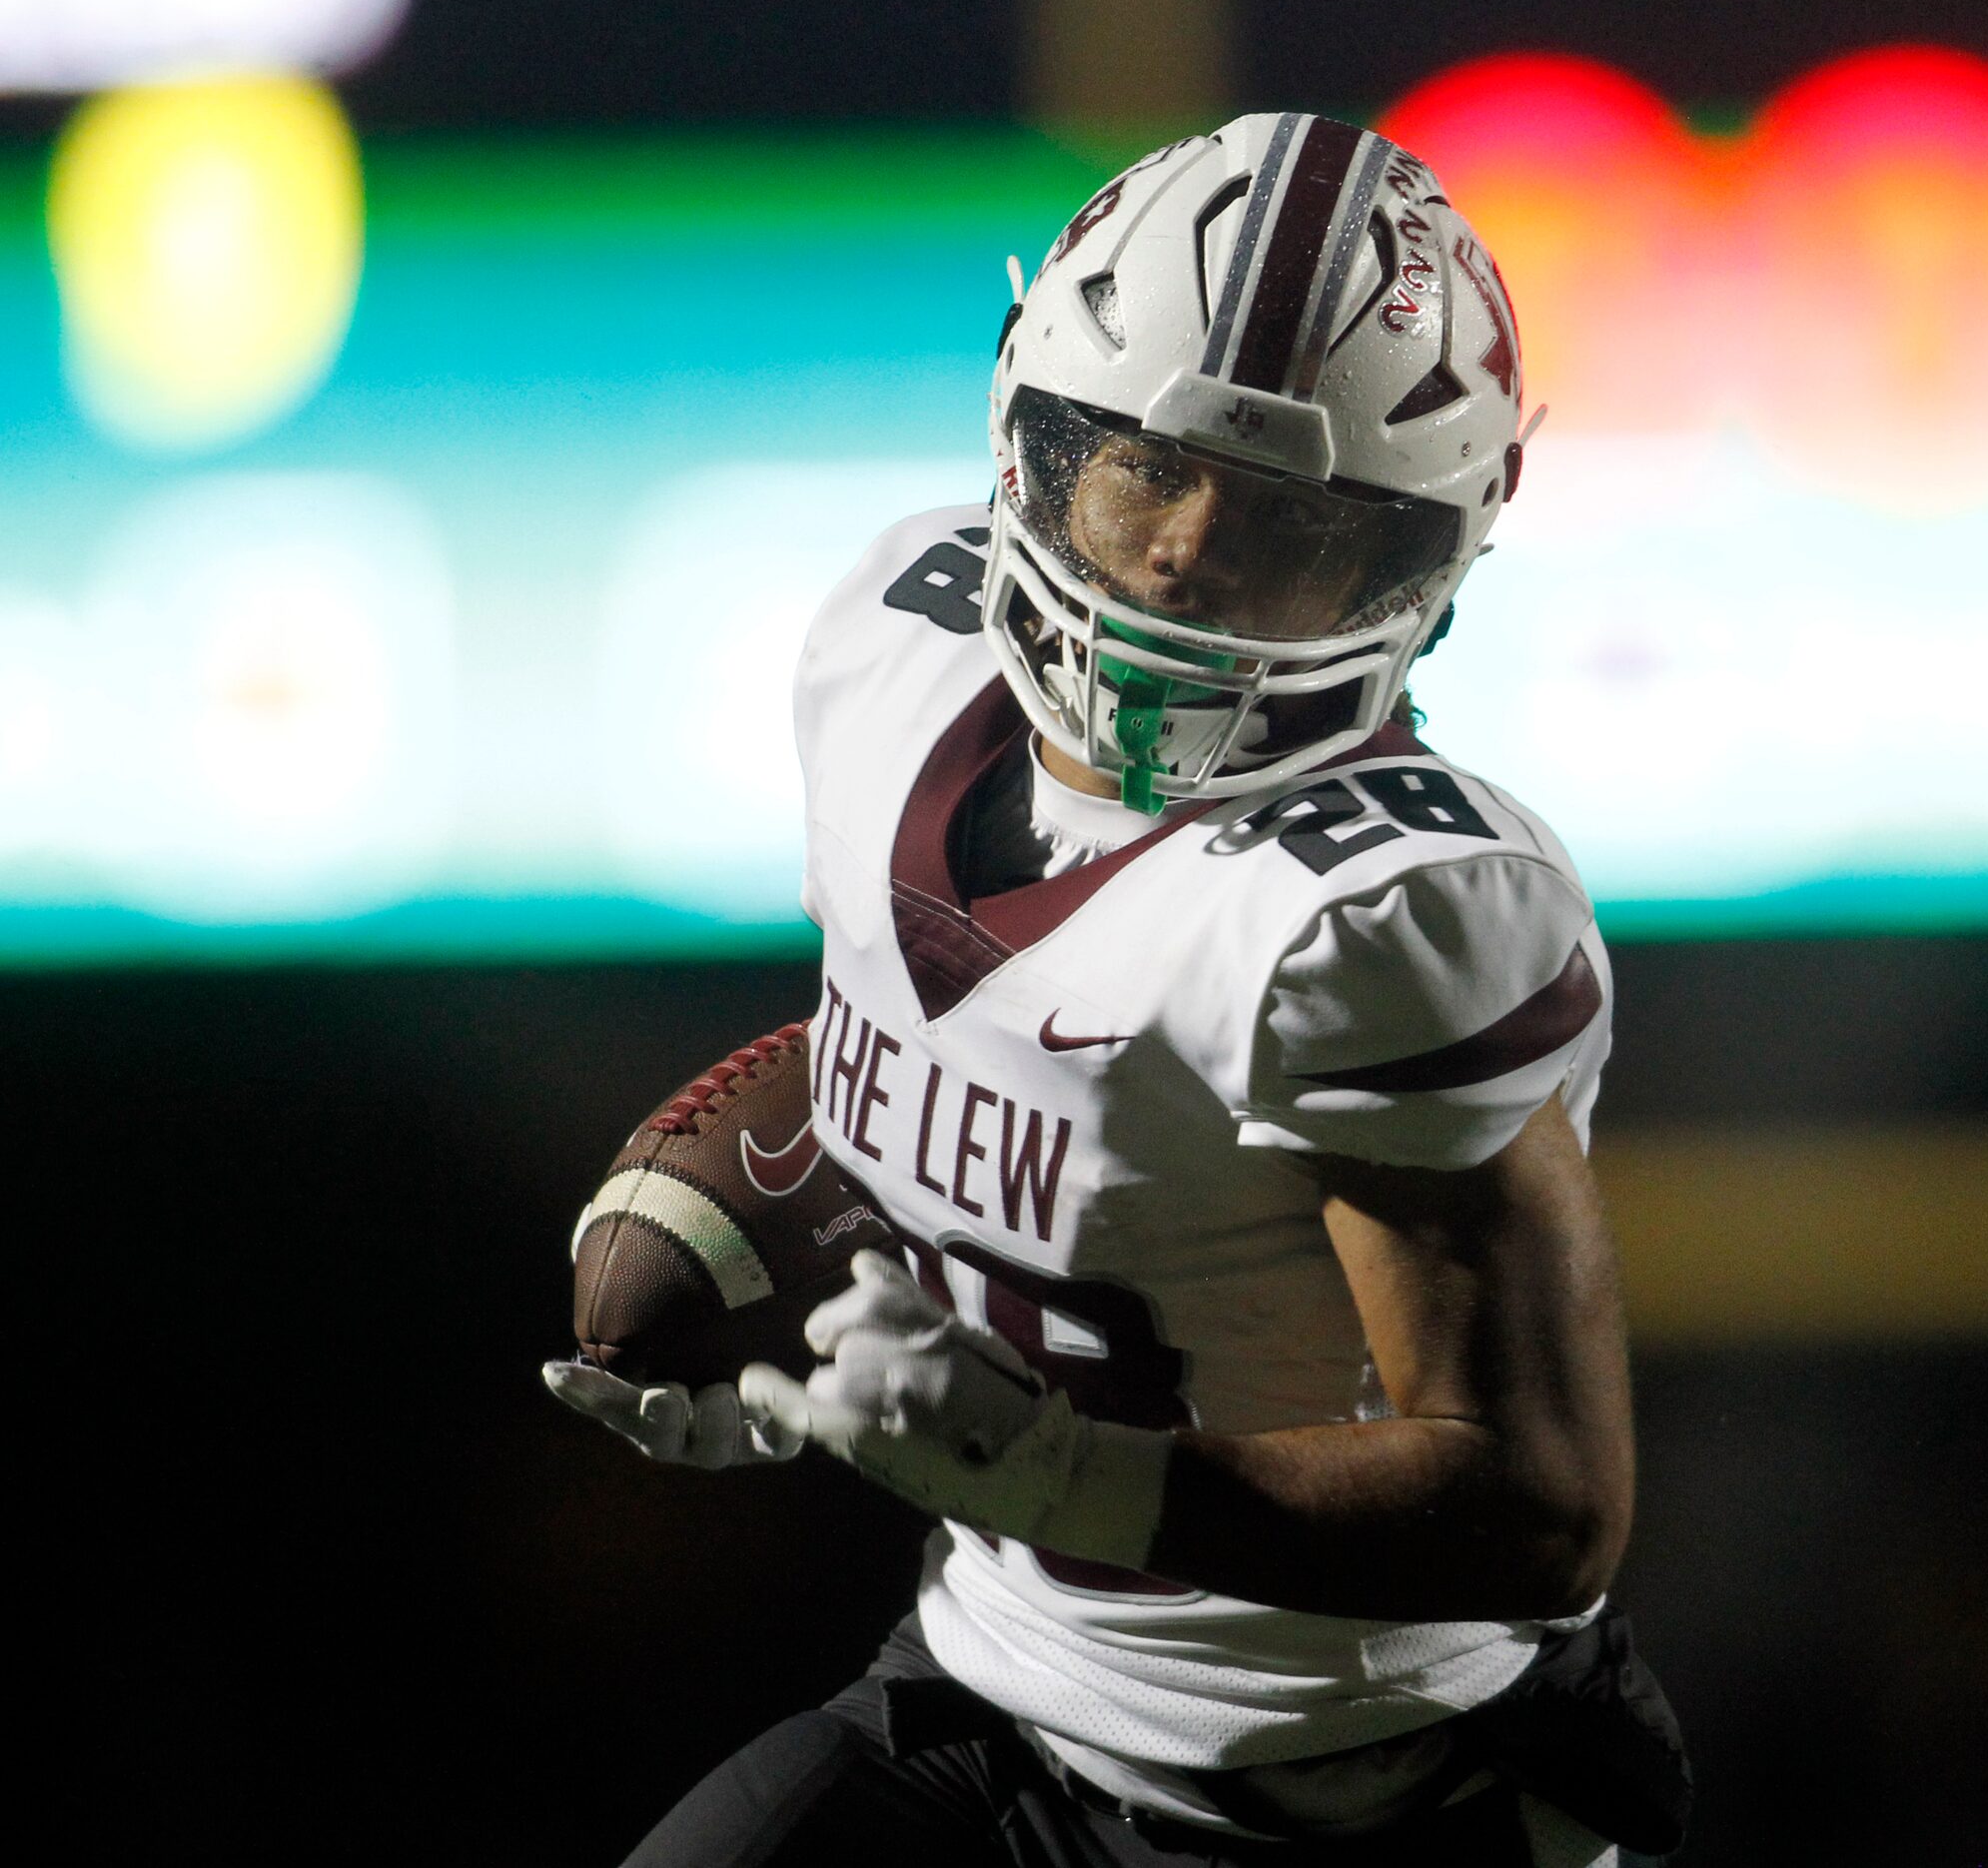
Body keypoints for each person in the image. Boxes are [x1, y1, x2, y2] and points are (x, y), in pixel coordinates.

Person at [547, 112, 1688, 1867]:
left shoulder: (1381, 911)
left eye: (1293, 521)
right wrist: (769, 1244)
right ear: (1038, 431)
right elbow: (978, 1066)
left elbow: (1538, 1511)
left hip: (1369, 1799)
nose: (1180, 555)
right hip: (991, 1692)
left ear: (1420, 558)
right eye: (1148, 463)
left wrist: (1061, 1472)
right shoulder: (891, 646)